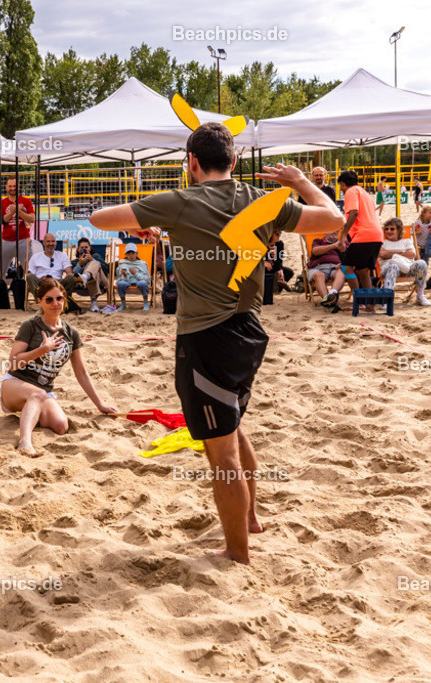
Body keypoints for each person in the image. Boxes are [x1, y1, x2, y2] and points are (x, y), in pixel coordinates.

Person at [89, 121, 342, 564]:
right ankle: (251, 519)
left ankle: (237, 553)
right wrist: (300, 181)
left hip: (205, 336)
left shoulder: (181, 202)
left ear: (191, 163)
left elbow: (99, 219)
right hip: (250, 329)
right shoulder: (264, 201)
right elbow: (334, 220)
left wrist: (150, 219)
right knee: (234, 424)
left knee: (220, 448)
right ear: (235, 160)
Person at [0, 278, 115, 456]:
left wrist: (100, 405)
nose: (55, 303)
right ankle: (25, 442)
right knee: (37, 394)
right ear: (40, 301)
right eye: (49, 299)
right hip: (15, 384)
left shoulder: (71, 332)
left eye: (59, 298)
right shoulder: (31, 325)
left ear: (65, 300)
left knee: (61, 426)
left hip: (42, 391)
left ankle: (30, 412)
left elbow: (82, 373)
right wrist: (42, 350)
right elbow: (13, 362)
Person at [337, 170, 383, 308]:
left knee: (347, 267)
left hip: (363, 235)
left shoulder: (351, 191)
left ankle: (359, 301)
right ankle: (369, 304)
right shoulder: (365, 193)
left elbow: (354, 212)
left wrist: (344, 234)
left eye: (341, 186)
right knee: (363, 271)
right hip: (376, 235)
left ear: (343, 184)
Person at [379, 217, 430, 306]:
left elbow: (412, 254)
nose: (388, 231)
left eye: (392, 229)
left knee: (422, 263)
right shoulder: (383, 242)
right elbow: (382, 254)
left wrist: (391, 254)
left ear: (399, 230)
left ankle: (420, 295)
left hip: (407, 267)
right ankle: (387, 298)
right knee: (393, 266)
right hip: (389, 268)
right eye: (386, 229)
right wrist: (402, 252)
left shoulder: (406, 241)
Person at [0, 177, 35, 283]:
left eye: (14, 186)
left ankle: (33, 294)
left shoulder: (26, 201)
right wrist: (13, 212)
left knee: (30, 271)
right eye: (10, 186)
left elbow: (32, 219)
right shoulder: (2, 203)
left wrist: (19, 211)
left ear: (18, 187)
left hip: (23, 240)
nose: (12, 188)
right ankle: (0, 295)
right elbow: (1, 221)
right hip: (6, 240)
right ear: (6, 187)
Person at [64, 237, 109, 312]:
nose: (84, 249)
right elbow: (72, 276)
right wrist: (80, 265)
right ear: (78, 249)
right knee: (93, 276)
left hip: (102, 282)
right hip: (85, 284)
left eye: (86, 247)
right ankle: (94, 302)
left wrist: (92, 260)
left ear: (90, 248)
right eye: (82, 248)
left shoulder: (96, 256)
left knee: (94, 263)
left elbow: (105, 269)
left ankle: (85, 276)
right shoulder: (75, 262)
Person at [25, 232, 72, 302]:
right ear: (43, 243)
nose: (51, 244)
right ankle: (40, 300)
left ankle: (64, 301)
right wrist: (39, 278)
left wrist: (68, 275)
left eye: (53, 241)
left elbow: (69, 272)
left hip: (58, 283)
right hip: (41, 283)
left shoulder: (62, 256)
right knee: (29, 276)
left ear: (56, 243)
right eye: (48, 241)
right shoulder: (35, 257)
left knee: (72, 278)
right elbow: (30, 273)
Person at [306, 230, 346, 308]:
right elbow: (315, 251)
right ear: (326, 231)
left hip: (336, 267)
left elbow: (350, 256)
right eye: (333, 230)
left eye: (337, 230)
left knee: (342, 272)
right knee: (319, 275)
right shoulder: (318, 241)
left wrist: (343, 263)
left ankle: (332, 295)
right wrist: (333, 246)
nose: (336, 232)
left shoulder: (343, 243)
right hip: (318, 267)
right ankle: (327, 300)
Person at [114, 243, 151, 310]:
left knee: (142, 283)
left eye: (132, 253)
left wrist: (135, 274)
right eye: (128, 253)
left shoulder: (142, 264)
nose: (131, 255)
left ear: (136, 253)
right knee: (121, 284)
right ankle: (123, 303)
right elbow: (120, 279)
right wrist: (124, 275)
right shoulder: (122, 264)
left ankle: (145, 302)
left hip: (139, 282)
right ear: (126, 254)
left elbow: (147, 279)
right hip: (127, 283)